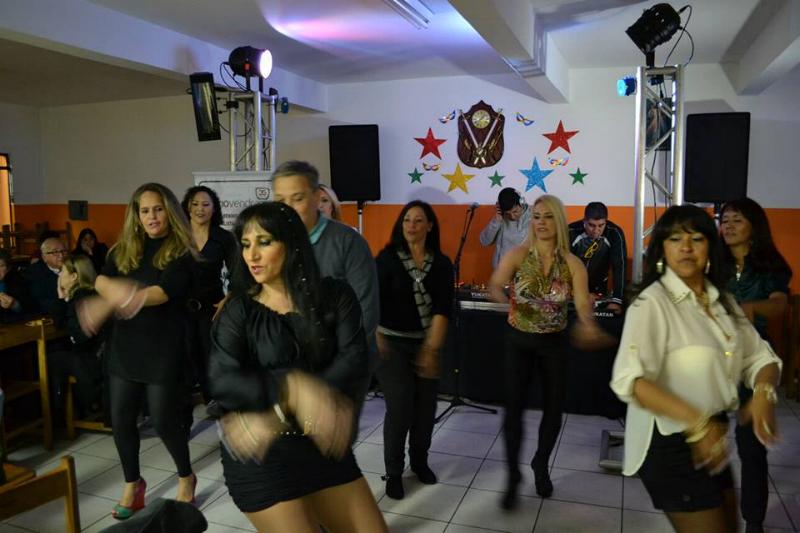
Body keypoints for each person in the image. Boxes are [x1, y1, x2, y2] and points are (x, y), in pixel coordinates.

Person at [208, 202, 387, 532]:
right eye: (245, 244)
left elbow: (353, 361)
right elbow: (223, 380)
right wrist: (291, 387)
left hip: (320, 445)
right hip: (264, 454)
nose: (252, 255)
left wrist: (301, 396)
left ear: (291, 244)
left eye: (264, 242)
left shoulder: (335, 295)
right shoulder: (239, 309)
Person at [611, 205, 781, 533]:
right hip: (670, 440)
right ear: (662, 249)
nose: (686, 247)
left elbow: (763, 358)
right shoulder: (651, 303)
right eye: (675, 239)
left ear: (710, 248)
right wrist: (698, 424)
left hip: (713, 435)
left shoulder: (723, 302)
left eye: (697, 238)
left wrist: (763, 392)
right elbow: (630, 379)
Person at [76, 183, 200, 519]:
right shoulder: (123, 249)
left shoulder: (181, 251)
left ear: (169, 211)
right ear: (136, 214)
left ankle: (186, 476)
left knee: (163, 420)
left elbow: (162, 293)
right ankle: (133, 484)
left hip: (163, 347)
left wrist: (119, 298)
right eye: (145, 211)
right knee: (120, 420)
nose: (152, 217)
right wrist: (110, 294)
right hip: (126, 346)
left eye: (158, 209)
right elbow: (100, 280)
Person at [488, 194, 609, 509]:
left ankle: (540, 463)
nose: (541, 222)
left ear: (559, 221)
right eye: (537, 217)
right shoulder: (517, 255)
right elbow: (495, 284)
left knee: (554, 411)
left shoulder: (572, 263)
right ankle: (513, 476)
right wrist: (505, 299)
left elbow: (581, 301)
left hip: (554, 343)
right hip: (519, 341)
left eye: (548, 217)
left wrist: (588, 324)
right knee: (514, 411)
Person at [720, 197, 792, 533]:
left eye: (737, 220)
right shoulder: (711, 261)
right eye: (725, 220)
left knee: (751, 444)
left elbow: (779, 306)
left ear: (754, 226)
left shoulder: (770, 265)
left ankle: (754, 520)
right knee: (705, 434)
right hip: (714, 356)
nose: (728, 226)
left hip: (754, 357)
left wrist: (752, 307)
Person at [374, 200, 454, 500]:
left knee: (425, 410)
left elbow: (443, 309)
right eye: (407, 220)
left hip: (427, 341)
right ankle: (394, 472)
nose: (411, 225)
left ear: (430, 226)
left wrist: (431, 350)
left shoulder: (441, 264)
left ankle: (419, 462)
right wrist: (376, 337)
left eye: (419, 220)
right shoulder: (387, 259)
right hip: (391, 343)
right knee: (400, 408)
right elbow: (372, 300)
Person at [271, 161, 379, 377]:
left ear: (316, 197)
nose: (287, 208)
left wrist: (337, 370)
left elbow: (366, 310)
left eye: (297, 198)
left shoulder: (348, 242)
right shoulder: (271, 242)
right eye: (280, 200)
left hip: (340, 367)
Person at [181, 185, 238, 401]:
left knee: (211, 358)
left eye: (206, 204)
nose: (200, 209)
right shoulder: (178, 236)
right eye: (195, 204)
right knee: (185, 356)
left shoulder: (224, 238)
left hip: (212, 308)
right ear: (187, 207)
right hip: (180, 308)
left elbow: (238, 273)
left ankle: (213, 401)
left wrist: (227, 299)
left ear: (214, 209)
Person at [47, 255, 105, 418]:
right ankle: (74, 409)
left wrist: (60, 297)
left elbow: (75, 333)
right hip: (100, 356)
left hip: (91, 359)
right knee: (58, 355)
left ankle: (59, 412)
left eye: (62, 271)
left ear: (73, 276)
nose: (60, 275)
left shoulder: (80, 296)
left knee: (52, 359)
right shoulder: (91, 292)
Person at [568, 201, 627, 312]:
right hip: (572, 288)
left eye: (601, 225)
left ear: (606, 222)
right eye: (591, 225)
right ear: (584, 221)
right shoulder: (570, 231)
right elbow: (562, 266)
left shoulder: (614, 233)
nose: (596, 230)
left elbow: (620, 267)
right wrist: (575, 293)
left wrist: (617, 300)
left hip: (599, 289)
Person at [480, 187, 532, 269]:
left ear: (522, 202)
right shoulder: (501, 218)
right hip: (500, 272)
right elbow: (484, 241)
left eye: (515, 211)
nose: (512, 216)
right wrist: (496, 222)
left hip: (522, 273)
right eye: (508, 213)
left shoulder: (533, 218)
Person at [28, 236, 68, 314]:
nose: (61, 255)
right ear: (44, 257)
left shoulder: (74, 267)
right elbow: (42, 302)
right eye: (55, 252)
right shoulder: (35, 273)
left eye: (63, 251)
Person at [0, 249, 26, 319]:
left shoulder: (16, 282)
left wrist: (14, 304)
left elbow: (26, 310)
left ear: (8, 269)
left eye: (1, 266)